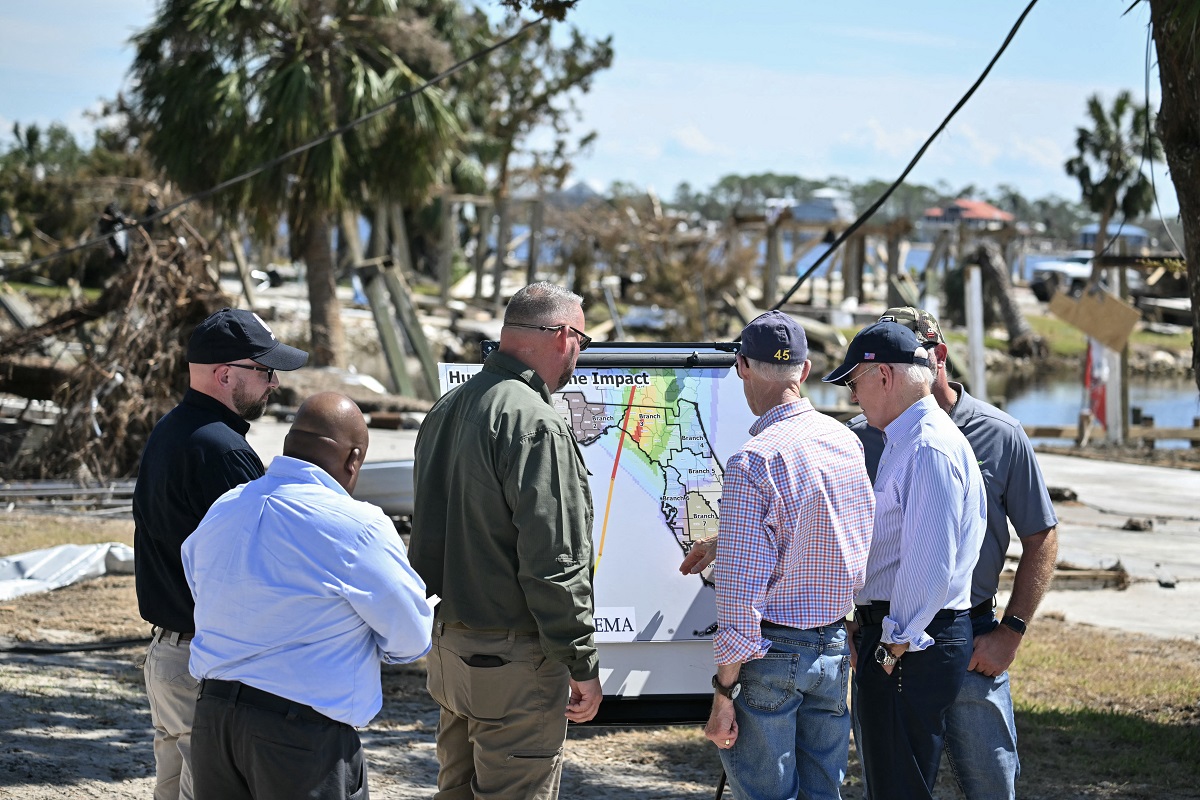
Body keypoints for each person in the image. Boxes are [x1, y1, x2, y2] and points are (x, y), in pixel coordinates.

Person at [849, 307, 1058, 800]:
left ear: (936, 354)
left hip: (970, 635)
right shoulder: (863, 434)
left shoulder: (996, 432)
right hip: (891, 634)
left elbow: (1041, 536)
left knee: (989, 784)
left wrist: (1014, 629)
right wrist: (854, 624)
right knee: (897, 775)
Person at [182, 392, 433, 800]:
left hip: (214, 722)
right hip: (299, 735)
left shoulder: (226, 507)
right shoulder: (359, 527)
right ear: (354, 460)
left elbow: (202, 588)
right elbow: (411, 637)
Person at [409, 282, 602, 800]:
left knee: (456, 789)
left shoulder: (448, 406)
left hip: (450, 651)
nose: (579, 355)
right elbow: (553, 561)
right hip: (513, 662)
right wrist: (581, 660)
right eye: (581, 340)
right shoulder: (533, 421)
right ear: (562, 335)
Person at [132, 307, 307, 800]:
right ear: (226, 373)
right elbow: (257, 562)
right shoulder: (223, 452)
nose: (274, 384)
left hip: (170, 653)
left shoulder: (172, 429)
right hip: (204, 661)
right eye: (265, 370)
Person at [701, 311, 875, 800]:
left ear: (742, 366)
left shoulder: (752, 461)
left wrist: (724, 692)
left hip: (772, 655)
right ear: (804, 370)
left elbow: (739, 594)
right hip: (834, 645)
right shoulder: (846, 442)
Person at [822, 320, 987, 800]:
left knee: (899, 786)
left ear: (884, 377)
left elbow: (929, 566)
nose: (854, 397)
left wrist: (891, 648)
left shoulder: (926, 445)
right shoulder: (912, 438)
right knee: (896, 782)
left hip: (910, 642)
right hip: (906, 638)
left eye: (855, 382)